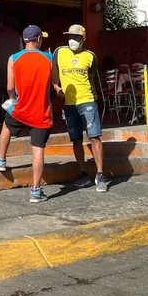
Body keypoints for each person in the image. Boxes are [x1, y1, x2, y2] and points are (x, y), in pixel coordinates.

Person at [0, 26, 54, 203]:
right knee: (38, 150)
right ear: (39, 39)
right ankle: (35, 191)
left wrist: (13, 99)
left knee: (6, 126)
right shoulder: (49, 58)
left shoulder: (13, 58)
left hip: (21, 108)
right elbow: (54, 81)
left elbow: (10, 87)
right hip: (41, 111)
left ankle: (1, 160)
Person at [52, 24, 108, 193]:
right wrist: (57, 88)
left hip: (87, 101)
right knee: (76, 139)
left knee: (95, 137)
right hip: (69, 104)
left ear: (84, 39)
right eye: (70, 37)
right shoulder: (59, 52)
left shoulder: (90, 56)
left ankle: (100, 175)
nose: (72, 40)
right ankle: (83, 173)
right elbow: (54, 76)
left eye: (76, 37)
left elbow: (91, 79)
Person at [0, 15, 23, 125]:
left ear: (1, 23)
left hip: (2, 69)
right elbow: (21, 52)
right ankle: (13, 117)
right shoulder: (17, 36)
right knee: (12, 94)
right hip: (15, 70)